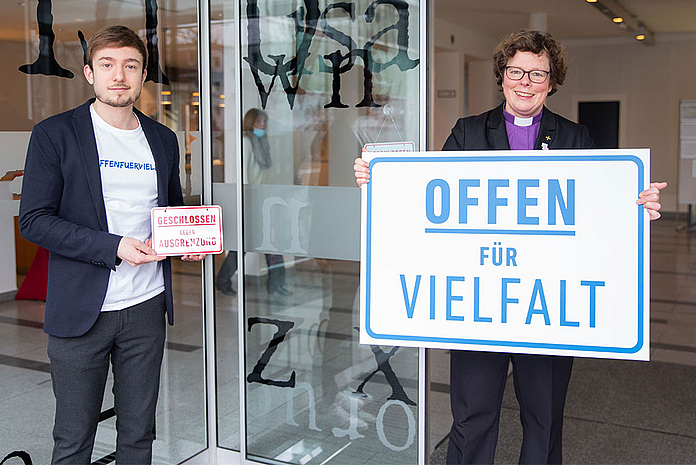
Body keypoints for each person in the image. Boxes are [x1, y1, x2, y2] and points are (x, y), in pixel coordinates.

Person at [354, 29, 666, 464]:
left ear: (552, 82)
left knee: (544, 419)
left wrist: (638, 203)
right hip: (478, 304)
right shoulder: (466, 132)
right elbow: (425, 200)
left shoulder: (576, 138)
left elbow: (602, 207)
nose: (526, 82)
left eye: (538, 74)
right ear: (501, 76)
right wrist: (379, 178)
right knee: (472, 416)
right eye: (516, 71)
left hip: (549, 308)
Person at [18, 25, 205, 464]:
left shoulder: (162, 138)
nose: (118, 75)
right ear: (89, 73)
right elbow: (35, 221)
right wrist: (113, 245)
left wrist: (185, 239)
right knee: (73, 439)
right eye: (107, 65)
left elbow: (171, 209)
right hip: (83, 309)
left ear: (142, 76)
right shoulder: (55, 134)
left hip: (146, 306)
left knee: (139, 434)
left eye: (130, 65)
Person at [216, 108, 292, 296]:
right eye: (259, 122)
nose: (263, 125)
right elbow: (242, 175)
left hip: (263, 198)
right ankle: (224, 280)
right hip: (250, 200)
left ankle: (275, 283)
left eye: (265, 121)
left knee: (268, 242)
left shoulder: (263, 143)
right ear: (251, 123)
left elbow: (268, 173)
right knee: (247, 244)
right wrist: (247, 202)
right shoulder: (246, 143)